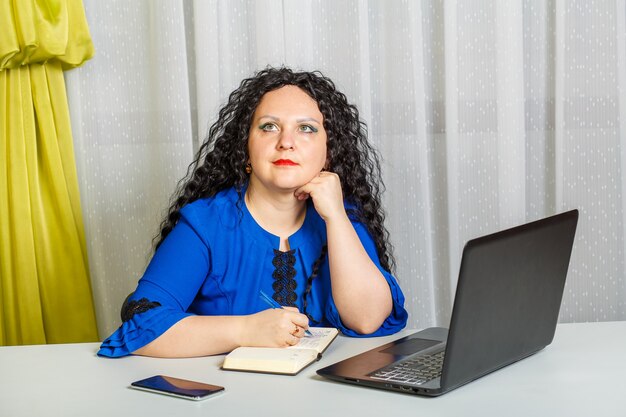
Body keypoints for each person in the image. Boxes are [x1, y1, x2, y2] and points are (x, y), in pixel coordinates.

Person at [98, 67, 408, 358]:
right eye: (269, 126)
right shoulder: (205, 224)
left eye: (306, 129)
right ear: (246, 148)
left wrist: (337, 218)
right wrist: (246, 329)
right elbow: (142, 328)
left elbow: (367, 319)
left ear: (328, 153)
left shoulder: (342, 218)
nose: (286, 142)